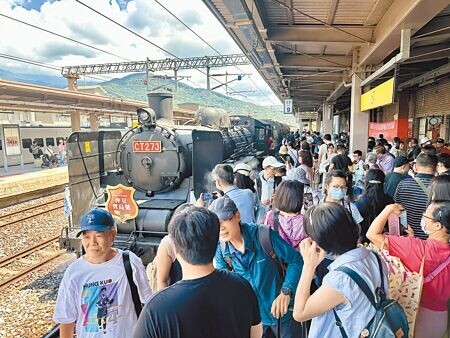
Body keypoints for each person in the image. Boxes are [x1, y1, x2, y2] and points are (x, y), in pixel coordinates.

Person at [134, 207, 262, 338]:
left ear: (175, 248)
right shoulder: (242, 286)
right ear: (216, 241)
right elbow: (256, 334)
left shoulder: (156, 309)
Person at [211, 196, 305, 338]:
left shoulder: (263, 236)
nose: (221, 227)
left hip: (284, 315)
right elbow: (225, 286)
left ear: (237, 216)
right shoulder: (221, 251)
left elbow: (296, 260)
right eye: (216, 223)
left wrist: (287, 291)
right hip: (254, 320)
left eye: (225, 220)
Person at [293, 203, 388, 338]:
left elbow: (299, 313)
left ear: (319, 243)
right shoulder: (374, 256)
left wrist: (308, 265)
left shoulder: (340, 279)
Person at [53, 208, 152, 338]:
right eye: (86, 237)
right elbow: (66, 319)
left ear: (112, 235)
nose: (92, 243)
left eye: (98, 235)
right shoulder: (74, 272)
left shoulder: (130, 262)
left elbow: (148, 302)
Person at [367, 201, 450, 338]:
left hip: (415, 316)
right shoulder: (418, 246)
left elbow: (372, 234)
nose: (423, 217)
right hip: (440, 320)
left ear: (437, 226)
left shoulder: (416, 248)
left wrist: (388, 210)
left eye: (426, 215)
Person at [394, 153, 438, 239]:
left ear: (415, 167)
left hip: (409, 236)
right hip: (432, 238)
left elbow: (396, 208)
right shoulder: (442, 187)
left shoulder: (403, 184)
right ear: (436, 167)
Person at [261, 180, 307, 249]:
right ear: (299, 199)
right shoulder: (306, 222)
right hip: (298, 258)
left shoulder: (269, 216)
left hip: (275, 257)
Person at [354, 169, 394, 242]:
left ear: (366, 183)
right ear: (383, 183)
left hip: (365, 242)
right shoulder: (390, 200)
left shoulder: (359, 203)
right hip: (385, 241)